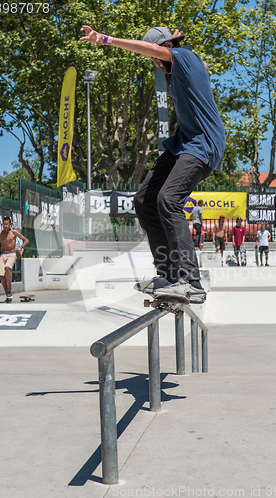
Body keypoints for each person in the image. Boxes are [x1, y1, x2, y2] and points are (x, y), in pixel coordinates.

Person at [80, 25, 226, 303]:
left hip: (203, 144)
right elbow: (202, 66)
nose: (156, 63)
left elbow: (160, 50)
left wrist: (106, 40)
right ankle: (169, 274)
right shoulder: (186, 65)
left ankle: (191, 282)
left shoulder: (183, 56)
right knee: (145, 199)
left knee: (168, 199)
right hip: (183, 143)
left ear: (167, 48)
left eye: (157, 58)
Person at [0, 216, 29, 303]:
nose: (5, 226)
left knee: (7, 268)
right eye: (4, 224)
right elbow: (0, 243)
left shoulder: (14, 232)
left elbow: (26, 240)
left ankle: (9, 289)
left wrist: (20, 248)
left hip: (12, 254)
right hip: (3, 255)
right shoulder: (0, 233)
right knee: (2, 276)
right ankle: (8, 296)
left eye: (7, 224)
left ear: (10, 224)